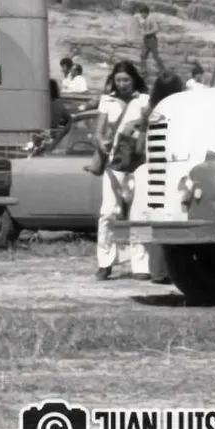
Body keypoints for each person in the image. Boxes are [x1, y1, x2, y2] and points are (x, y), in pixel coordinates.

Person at [90, 61, 149, 281]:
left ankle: (141, 263)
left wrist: (137, 122)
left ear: (134, 80)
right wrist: (102, 142)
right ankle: (105, 261)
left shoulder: (144, 100)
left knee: (140, 214)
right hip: (115, 162)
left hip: (139, 162)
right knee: (108, 212)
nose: (122, 84)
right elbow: (98, 132)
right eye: (118, 80)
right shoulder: (107, 101)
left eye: (126, 80)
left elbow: (152, 120)